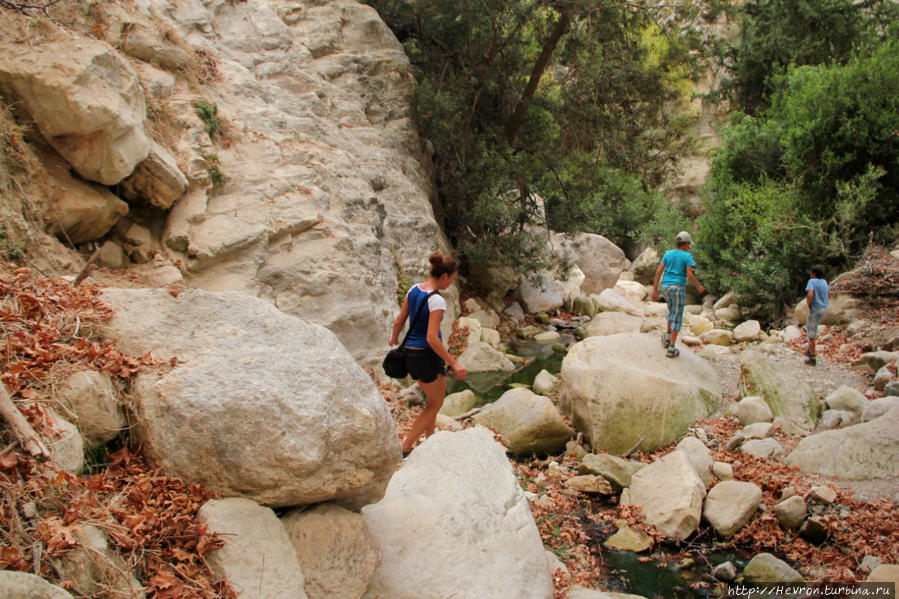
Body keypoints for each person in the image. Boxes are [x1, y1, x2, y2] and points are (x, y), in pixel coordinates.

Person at [389, 251, 466, 455]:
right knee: (435, 403)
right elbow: (432, 337)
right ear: (443, 277)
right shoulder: (437, 301)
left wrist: (394, 338)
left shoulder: (414, 289)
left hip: (409, 356)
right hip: (426, 356)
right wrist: (454, 363)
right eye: (451, 280)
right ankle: (405, 446)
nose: (450, 284)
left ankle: (430, 440)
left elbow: (399, 320)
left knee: (431, 400)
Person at [652, 231, 706, 358]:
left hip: (665, 287)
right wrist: (698, 286)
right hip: (678, 288)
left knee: (671, 312)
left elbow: (659, 271)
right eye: (689, 244)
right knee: (677, 315)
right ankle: (671, 347)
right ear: (686, 244)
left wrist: (655, 290)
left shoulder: (668, 254)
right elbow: (690, 275)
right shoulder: (687, 257)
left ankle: (667, 336)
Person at [803, 265, 830, 366]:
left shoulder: (812, 281)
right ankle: (809, 350)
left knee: (811, 334)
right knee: (811, 327)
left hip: (816, 309)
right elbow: (829, 294)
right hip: (825, 309)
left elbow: (810, 294)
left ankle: (812, 357)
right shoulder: (824, 282)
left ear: (813, 273)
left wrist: (809, 303)